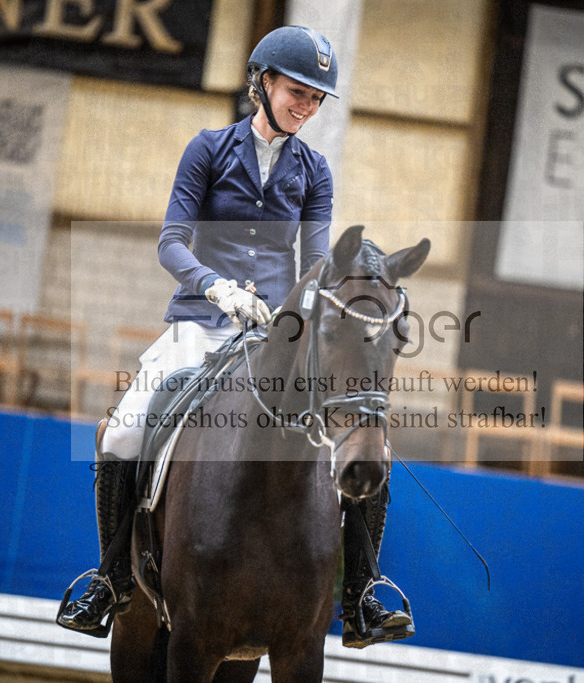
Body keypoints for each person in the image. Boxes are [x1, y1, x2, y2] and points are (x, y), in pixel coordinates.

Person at [56, 25, 414, 648]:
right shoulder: (209, 149)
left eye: (316, 99)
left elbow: (316, 261)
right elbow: (171, 241)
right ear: (262, 82)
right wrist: (216, 288)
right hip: (199, 323)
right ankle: (111, 579)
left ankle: (360, 594)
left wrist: (317, 305)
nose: (306, 107)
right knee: (123, 427)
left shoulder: (315, 172)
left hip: (274, 339)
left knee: (361, 447)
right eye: (297, 92)